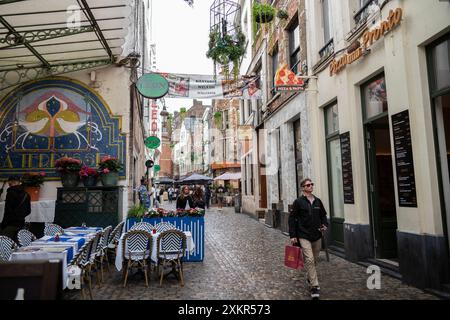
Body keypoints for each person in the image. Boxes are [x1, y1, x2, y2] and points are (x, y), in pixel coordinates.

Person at [288, 178, 328, 300]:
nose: (311, 186)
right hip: (303, 235)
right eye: (308, 185)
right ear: (303, 188)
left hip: (316, 235)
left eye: (312, 184)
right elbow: (292, 219)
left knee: (314, 260)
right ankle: (314, 286)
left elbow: (323, 216)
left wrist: (324, 225)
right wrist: (293, 235)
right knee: (309, 260)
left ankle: (310, 276)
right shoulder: (298, 202)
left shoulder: (317, 201)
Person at [0, 176, 31, 242]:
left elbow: (8, 211)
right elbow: (28, 211)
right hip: (21, 223)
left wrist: (3, 224)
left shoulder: (10, 193)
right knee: (17, 245)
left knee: (5, 244)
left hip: (10, 224)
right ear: (19, 182)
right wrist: (20, 216)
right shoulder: (26, 194)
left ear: (9, 183)